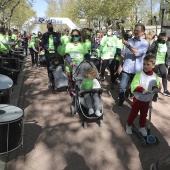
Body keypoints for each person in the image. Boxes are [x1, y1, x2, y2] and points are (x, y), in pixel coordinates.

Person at [126, 54, 159, 136]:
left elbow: (155, 84)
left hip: (147, 99)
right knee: (134, 113)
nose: (145, 66)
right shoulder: (139, 74)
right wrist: (142, 90)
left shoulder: (155, 76)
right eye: (144, 64)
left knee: (144, 115)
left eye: (148, 64)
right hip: (138, 98)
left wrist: (155, 88)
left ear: (153, 65)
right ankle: (129, 124)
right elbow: (134, 84)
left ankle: (142, 127)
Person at [117, 23, 150, 109]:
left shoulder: (145, 43)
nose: (135, 32)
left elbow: (137, 53)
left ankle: (135, 103)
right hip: (126, 68)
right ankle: (121, 100)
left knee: (136, 88)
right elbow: (123, 54)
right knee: (122, 87)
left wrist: (127, 45)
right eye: (134, 30)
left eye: (137, 30)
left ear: (143, 32)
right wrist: (120, 65)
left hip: (137, 70)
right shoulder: (130, 40)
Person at [147, 31, 170, 96]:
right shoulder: (155, 43)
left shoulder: (166, 44)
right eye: (161, 38)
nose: (163, 39)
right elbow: (149, 50)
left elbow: (166, 54)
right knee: (154, 77)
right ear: (159, 37)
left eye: (164, 38)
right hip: (155, 63)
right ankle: (154, 91)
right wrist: (152, 58)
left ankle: (165, 90)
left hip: (162, 62)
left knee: (164, 75)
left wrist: (167, 63)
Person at [41, 23, 61, 87]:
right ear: (47, 27)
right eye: (49, 27)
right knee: (49, 67)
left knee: (56, 66)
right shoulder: (44, 35)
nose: (51, 27)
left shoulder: (56, 35)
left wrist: (58, 48)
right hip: (48, 54)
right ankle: (50, 80)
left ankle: (56, 79)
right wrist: (47, 48)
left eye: (51, 26)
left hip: (55, 53)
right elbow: (42, 43)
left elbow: (59, 43)